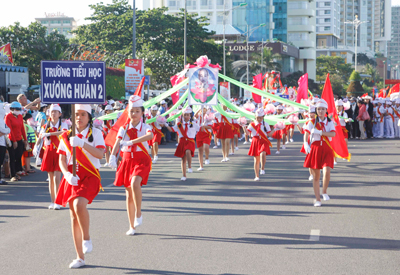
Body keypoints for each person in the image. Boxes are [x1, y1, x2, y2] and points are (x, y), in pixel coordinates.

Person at [55, 104, 105, 269]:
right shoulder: (66, 135)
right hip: (72, 176)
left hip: (89, 175)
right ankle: (79, 257)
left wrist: (82, 144)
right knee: (73, 216)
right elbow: (62, 159)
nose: (79, 117)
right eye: (77, 114)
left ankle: (87, 238)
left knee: (79, 204)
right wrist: (67, 175)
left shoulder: (96, 133)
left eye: (83, 114)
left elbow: (100, 154)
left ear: (89, 117)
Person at [110, 95, 153, 236]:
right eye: (131, 111)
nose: (134, 114)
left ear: (142, 113)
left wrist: (132, 142)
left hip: (141, 160)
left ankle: (139, 213)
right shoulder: (124, 128)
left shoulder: (145, 127)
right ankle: (131, 226)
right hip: (127, 160)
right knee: (128, 195)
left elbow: (150, 136)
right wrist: (112, 155)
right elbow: (117, 142)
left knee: (135, 183)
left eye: (137, 111)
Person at [34, 104, 68, 210]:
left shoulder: (63, 124)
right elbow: (40, 136)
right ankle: (52, 201)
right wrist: (36, 145)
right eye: (51, 112)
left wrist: (49, 134)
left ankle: (58, 201)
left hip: (59, 153)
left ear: (60, 114)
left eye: (55, 112)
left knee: (57, 178)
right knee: (50, 178)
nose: (53, 114)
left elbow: (64, 132)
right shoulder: (45, 126)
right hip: (48, 153)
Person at [303, 99, 336, 207]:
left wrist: (321, 132)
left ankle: (324, 191)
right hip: (315, 148)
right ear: (316, 110)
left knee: (327, 171)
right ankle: (318, 199)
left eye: (323, 109)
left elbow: (333, 134)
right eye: (318, 109)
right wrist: (305, 144)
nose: (320, 111)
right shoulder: (312, 122)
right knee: (316, 176)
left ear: (326, 110)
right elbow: (306, 134)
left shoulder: (330, 122)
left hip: (327, 149)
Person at [164, 107, 199, 181]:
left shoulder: (194, 123)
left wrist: (204, 125)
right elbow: (172, 130)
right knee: (183, 159)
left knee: (188, 151)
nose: (186, 116)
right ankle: (184, 175)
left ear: (190, 116)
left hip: (190, 141)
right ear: (182, 116)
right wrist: (166, 124)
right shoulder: (179, 124)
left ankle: (189, 166)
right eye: (185, 115)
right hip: (182, 141)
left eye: (188, 115)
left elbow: (200, 129)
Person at [247, 109, 276, 181]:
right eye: (257, 118)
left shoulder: (265, 124)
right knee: (256, 160)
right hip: (255, 141)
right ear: (255, 117)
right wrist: (243, 126)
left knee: (263, 153)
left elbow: (269, 134)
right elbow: (247, 133)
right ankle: (257, 176)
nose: (259, 119)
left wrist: (275, 129)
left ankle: (262, 168)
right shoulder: (252, 124)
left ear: (263, 117)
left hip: (264, 140)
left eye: (260, 118)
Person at [5, 101, 27, 182]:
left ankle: (18, 171)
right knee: (12, 157)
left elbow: (22, 128)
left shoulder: (20, 116)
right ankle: (12, 175)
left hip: (19, 139)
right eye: (16, 109)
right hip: (11, 139)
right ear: (12, 109)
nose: (18, 110)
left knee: (19, 156)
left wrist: (25, 139)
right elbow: (9, 130)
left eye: (19, 109)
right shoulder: (8, 117)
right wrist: (14, 141)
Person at [195, 106, 213, 171]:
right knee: (200, 150)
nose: (203, 110)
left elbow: (211, 127)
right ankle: (201, 166)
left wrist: (204, 126)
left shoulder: (209, 117)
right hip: (199, 134)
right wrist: (199, 109)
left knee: (206, 147)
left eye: (204, 109)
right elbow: (194, 116)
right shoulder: (198, 117)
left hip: (206, 134)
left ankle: (207, 158)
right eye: (202, 109)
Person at [0, 103, 10, 185]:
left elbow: (7, 130)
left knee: (1, 161)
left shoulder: (2, 120)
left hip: (2, 143)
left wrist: (3, 132)